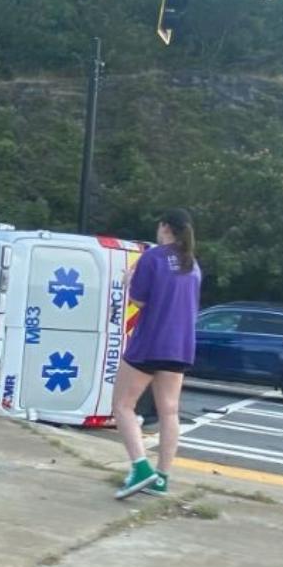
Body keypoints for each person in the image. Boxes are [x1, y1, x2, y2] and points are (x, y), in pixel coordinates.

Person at [114, 210, 202, 499]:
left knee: (123, 406)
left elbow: (139, 300)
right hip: (180, 347)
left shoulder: (152, 258)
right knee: (169, 411)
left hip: (150, 342)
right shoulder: (192, 265)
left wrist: (129, 281)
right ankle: (162, 477)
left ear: (165, 227)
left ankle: (140, 468)